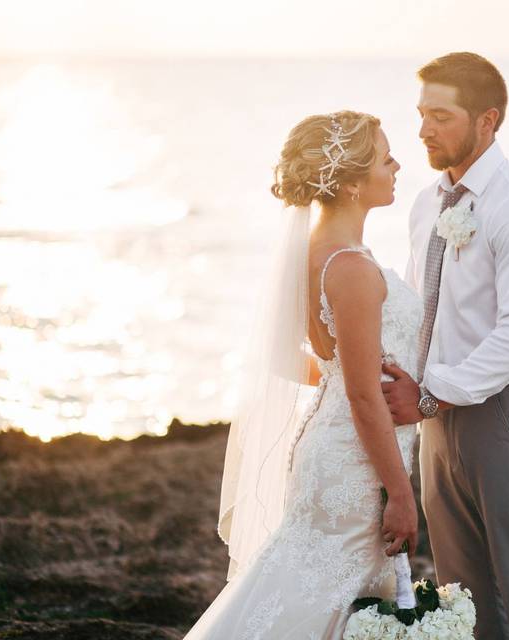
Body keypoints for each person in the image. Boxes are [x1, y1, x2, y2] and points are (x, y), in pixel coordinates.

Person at [184, 110, 423, 639]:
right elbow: (364, 397)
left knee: (313, 586)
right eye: (386, 158)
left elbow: (290, 360)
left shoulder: (309, 256)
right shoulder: (353, 268)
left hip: (331, 449)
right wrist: (401, 494)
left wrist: (342, 375)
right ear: (355, 183)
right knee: (327, 598)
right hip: (355, 466)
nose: (398, 165)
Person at [381, 52, 509, 639]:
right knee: (463, 604)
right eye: (421, 114)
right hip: (437, 424)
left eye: (441, 116)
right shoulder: (427, 203)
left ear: (487, 121)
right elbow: (417, 311)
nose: (423, 130)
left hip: (507, 419)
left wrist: (431, 394)